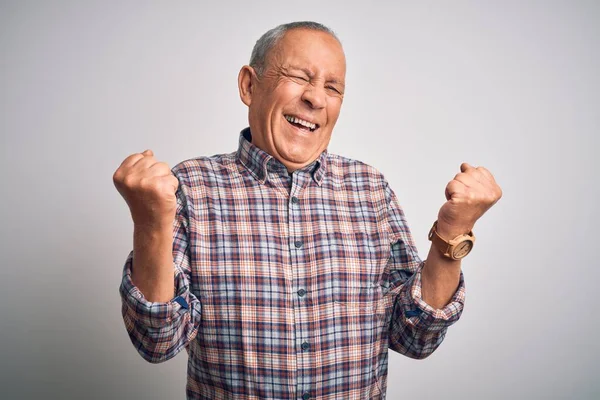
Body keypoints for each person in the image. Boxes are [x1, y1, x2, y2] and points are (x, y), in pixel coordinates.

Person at [113, 21, 502, 400]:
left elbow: (416, 337)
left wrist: (453, 231)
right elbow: (157, 341)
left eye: (332, 87)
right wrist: (150, 225)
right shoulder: (192, 186)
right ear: (250, 85)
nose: (316, 99)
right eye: (300, 77)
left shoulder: (370, 189)